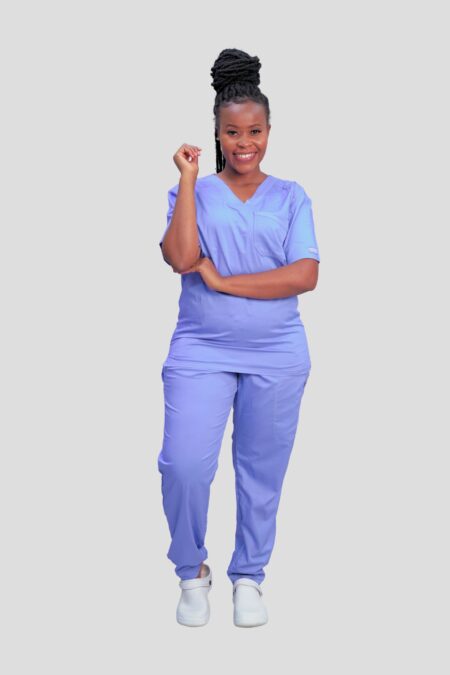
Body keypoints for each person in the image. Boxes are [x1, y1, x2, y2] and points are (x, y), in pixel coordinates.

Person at [157, 48, 320, 628]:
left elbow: (305, 274)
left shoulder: (292, 197)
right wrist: (187, 178)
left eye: (255, 131)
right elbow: (181, 258)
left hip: (277, 353)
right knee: (183, 465)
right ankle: (191, 570)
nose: (245, 142)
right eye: (233, 132)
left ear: (269, 132)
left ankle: (249, 575)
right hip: (201, 349)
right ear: (219, 134)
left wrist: (225, 281)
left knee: (261, 471)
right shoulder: (193, 192)